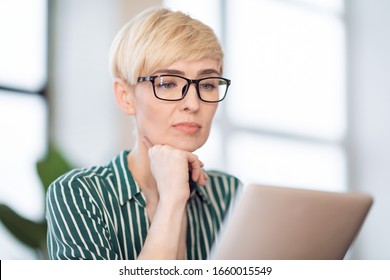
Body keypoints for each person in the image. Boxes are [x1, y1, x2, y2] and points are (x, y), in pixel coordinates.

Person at [45, 6, 241, 260]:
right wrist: (171, 199)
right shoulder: (80, 194)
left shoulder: (228, 193)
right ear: (125, 97)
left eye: (207, 84)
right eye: (168, 83)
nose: (193, 103)